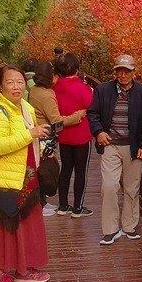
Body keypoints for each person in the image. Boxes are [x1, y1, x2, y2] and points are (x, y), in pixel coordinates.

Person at [0, 64, 51, 282]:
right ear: (1, 86)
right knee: (2, 227)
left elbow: (33, 137)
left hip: (24, 177)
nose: (16, 87)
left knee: (24, 225)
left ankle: (22, 269)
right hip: (1, 181)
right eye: (10, 82)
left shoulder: (25, 107)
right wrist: (31, 134)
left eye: (20, 82)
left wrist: (44, 144)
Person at [87, 53, 142, 246]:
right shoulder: (103, 90)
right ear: (114, 72)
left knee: (132, 188)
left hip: (133, 146)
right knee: (109, 186)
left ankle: (129, 226)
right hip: (110, 144)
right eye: (119, 71)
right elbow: (92, 113)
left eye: (127, 71)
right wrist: (98, 132)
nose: (122, 75)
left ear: (133, 72)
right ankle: (110, 229)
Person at [27, 61, 88, 217]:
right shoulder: (46, 96)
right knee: (45, 169)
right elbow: (56, 121)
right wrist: (78, 116)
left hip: (38, 133)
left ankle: (48, 203)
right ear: (50, 76)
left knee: (43, 167)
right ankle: (40, 203)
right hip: (45, 136)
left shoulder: (34, 90)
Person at [53, 52, 94, 218]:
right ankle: (78, 207)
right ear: (77, 69)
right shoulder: (81, 88)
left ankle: (63, 205)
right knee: (81, 171)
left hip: (63, 135)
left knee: (66, 169)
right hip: (81, 135)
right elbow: (92, 107)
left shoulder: (54, 88)